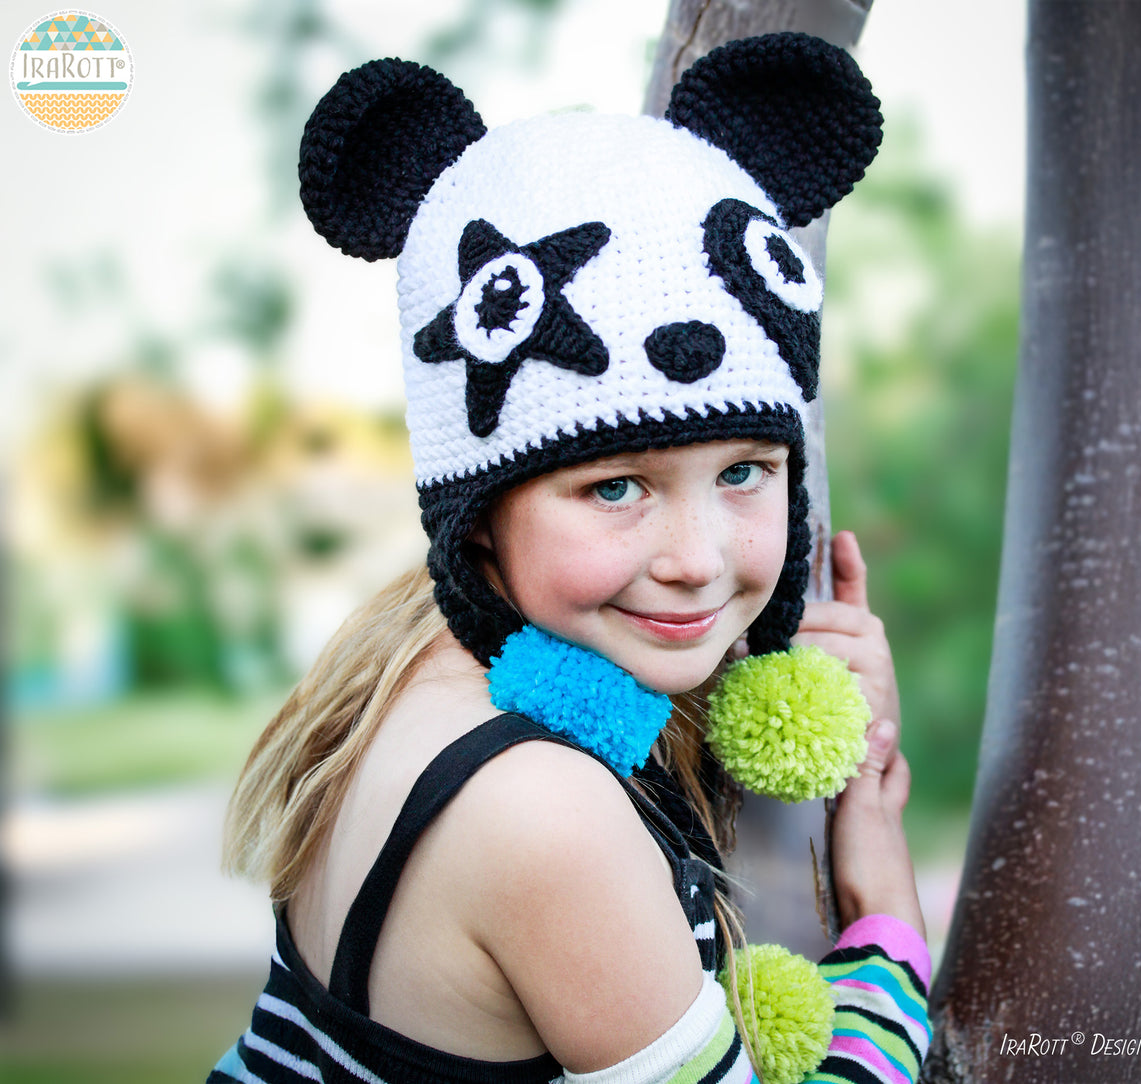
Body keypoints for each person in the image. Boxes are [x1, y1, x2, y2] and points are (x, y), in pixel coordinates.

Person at [210, 33, 930, 1084]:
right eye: (613, 486)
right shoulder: (546, 816)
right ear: (479, 514)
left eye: (743, 472)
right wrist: (887, 928)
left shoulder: (419, 679)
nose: (696, 559)